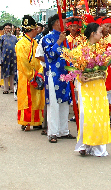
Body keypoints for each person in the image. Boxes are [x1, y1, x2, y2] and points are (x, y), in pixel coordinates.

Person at [74, 22, 111, 157]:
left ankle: (98, 147)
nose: (102, 35)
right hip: (85, 87)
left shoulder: (102, 49)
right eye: (100, 32)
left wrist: (103, 72)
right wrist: (80, 77)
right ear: (92, 34)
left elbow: (105, 68)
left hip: (99, 86)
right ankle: (84, 144)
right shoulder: (80, 49)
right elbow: (76, 68)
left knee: (99, 115)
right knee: (86, 115)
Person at [41, 14, 75, 143]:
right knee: (54, 104)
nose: (66, 24)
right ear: (56, 23)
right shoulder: (47, 38)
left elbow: (69, 57)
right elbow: (49, 55)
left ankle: (63, 130)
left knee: (65, 103)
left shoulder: (67, 38)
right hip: (53, 74)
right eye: (64, 22)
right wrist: (59, 42)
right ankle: (53, 132)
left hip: (65, 74)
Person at [16, 15, 44, 132]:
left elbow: (38, 60)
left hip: (36, 74)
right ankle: (26, 121)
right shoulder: (21, 44)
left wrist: (40, 73)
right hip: (26, 76)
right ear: (33, 29)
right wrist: (32, 75)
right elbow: (23, 62)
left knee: (37, 98)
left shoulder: (34, 43)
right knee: (26, 99)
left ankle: (36, 121)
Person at [0, 23, 17, 95]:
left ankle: (12, 88)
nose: (8, 30)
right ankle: (5, 88)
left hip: (13, 57)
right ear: (4, 30)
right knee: (5, 73)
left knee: (12, 73)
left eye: (9, 28)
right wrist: (0, 59)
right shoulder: (2, 38)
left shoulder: (15, 38)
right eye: (6, 28)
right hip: (5, 57)